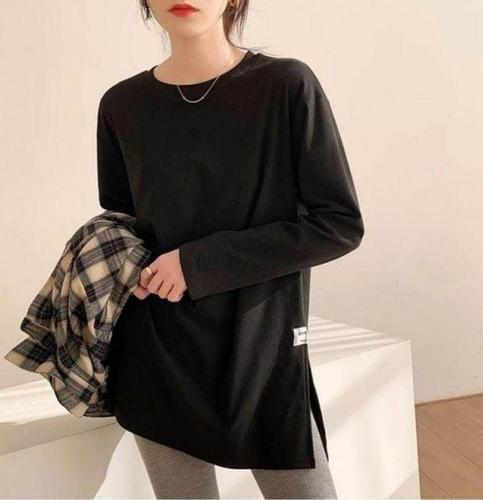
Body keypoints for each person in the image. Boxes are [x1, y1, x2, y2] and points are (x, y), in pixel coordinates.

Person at [96, 0, 364, 498]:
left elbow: (339, 224)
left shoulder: (286, 85)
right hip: (157, 352)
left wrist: (196, 263)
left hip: (259, 349)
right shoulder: (121, 104)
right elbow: (125, 220)